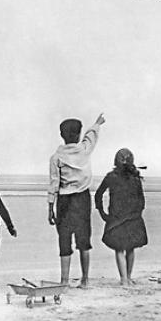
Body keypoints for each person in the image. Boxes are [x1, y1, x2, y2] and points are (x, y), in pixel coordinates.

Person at [47, 113, 105, 288]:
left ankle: (64, 281)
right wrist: (97, 123)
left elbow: (54, 183)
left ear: (61, 135)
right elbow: (91, 137)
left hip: (64, 201)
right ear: (78, 135)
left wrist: (50, 208)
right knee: (83, 240)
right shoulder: (84, 150)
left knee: (64, 239)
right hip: (82, 200)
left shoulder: (56, 158)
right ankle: (85, 279)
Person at [94, 148, 148, 286]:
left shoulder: (111, 176)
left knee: (119, 248)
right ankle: (128, 278)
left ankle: (124, 279)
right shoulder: (136, 178)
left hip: (116, 218)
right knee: (130, 248)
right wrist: (138, 214)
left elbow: (98, 194)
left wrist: (102, 213)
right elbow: (141, 200)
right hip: (133, 217)